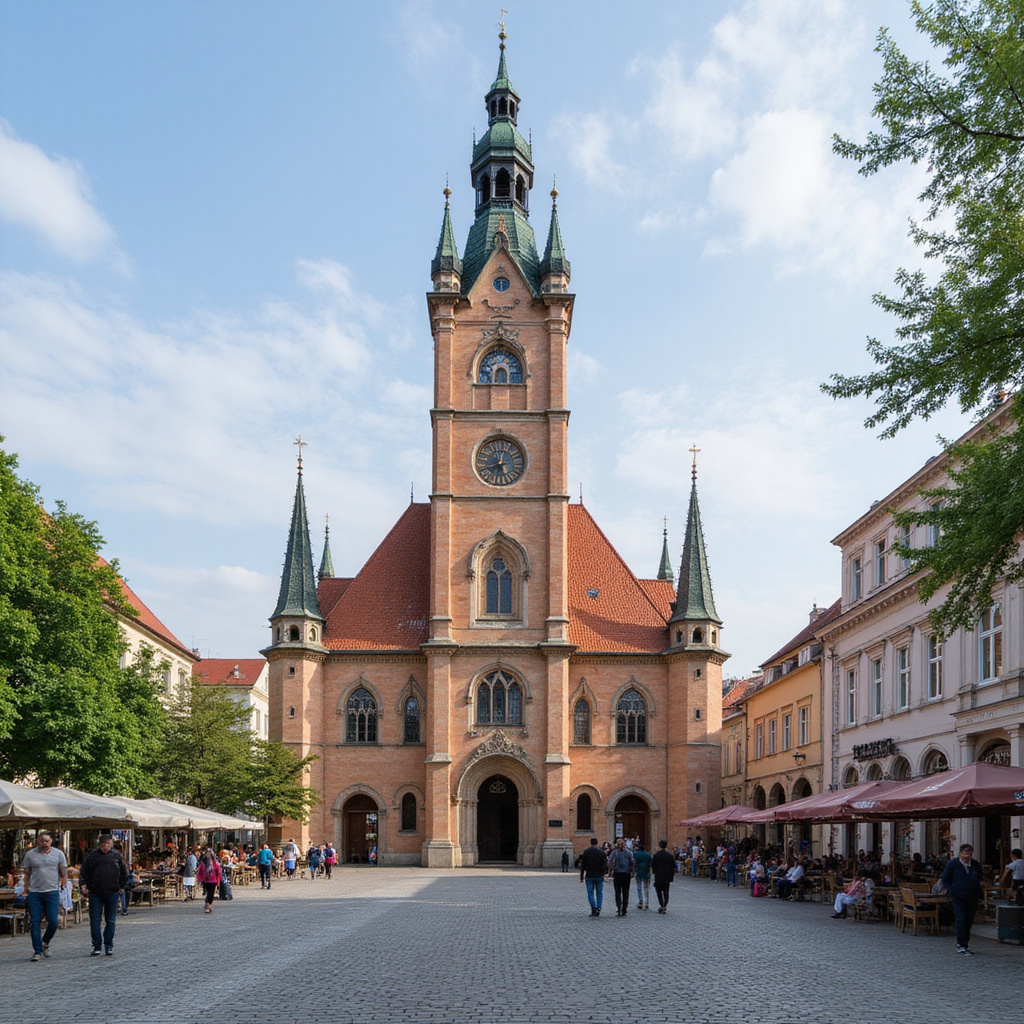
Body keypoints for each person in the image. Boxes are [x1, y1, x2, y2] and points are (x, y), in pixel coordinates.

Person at [21, 831, 68, 962]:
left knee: (53, 921)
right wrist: (25, 889)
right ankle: (37, 951)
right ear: (38, 842)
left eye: (47, 841)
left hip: (52, 891)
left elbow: (63, 870)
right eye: (42, 841)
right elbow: (26, 873)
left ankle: (45, 941)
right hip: (35, 892)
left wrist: (64, 882)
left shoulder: (58, 854)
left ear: (51, 841)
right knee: (34, 921)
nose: (45, 844)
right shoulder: (30, 855)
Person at [79, 834, 127, 957]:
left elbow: (123, 872)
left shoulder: (116, 856)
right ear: (99, 844)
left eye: (107, 843)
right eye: (103, 843)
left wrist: (121, 886)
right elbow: (84, 872)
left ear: (111, 844)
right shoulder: (92, 856)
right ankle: (96, 945)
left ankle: (108, 945)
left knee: (110, 920)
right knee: (95, 920)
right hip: (95, 892)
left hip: (112, 891)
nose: (105, 846)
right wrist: (84, 885)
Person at [941, 843, 984, 955]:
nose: (967, 855)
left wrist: (980, 896)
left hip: (972, 896)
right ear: (960, 853)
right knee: (961, 919)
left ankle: (965, 943)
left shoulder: (975, 865)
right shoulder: (953, 864)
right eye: (965, 853)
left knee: (969, 921)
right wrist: (951, 890)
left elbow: (979, 879)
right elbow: (945, 879)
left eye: (969, 853)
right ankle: (961, 944)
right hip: (958, 896)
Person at [579, 838, 607, 917]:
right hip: (599, 875)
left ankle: (593, 907)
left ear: (590, 843)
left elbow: (583, 865)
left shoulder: (587, 852)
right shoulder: (601, 853)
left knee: (590, 893)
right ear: (597, 843)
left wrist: (581, 875)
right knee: (599, 893)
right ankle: (598, 908)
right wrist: (604, 873)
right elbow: (604, 865)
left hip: (590, 875)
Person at [608, 837, 634, 917]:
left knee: (617, 892)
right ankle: (624, 909)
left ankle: (619, 908)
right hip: (626, 874)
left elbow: (609, 861)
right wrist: (632, 871)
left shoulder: (614, 852)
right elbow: (632, 862)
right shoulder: (629, 852)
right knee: (626, 892)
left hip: (617, 873)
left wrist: (610, 871)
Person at [651, 839, 676, 914]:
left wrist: (654, 872)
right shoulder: (670, 856)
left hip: (658, 876)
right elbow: (674, 867)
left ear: (659, 846)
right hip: (667, 876)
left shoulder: (656, 855)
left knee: (659, 891)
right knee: (666, 891)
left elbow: (653, 866)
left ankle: (661, 904)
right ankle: (664, 905)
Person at [196, 849, 222, 913]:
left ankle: (208, 905)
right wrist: (200, 880)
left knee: (210, 893)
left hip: (212, 881)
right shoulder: (206, 864)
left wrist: (218, 881)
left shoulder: (214, 864)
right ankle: (208, 904)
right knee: (209, 893)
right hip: (208, 881)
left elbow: (218, 873)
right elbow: (200, 872)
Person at [633, 842, 652, 909]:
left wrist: (633, 872)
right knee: (646, 888)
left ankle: (640, 901)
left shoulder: (636, 854)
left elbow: (634, 863)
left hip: (638, 871)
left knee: (639, 887)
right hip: (646, 872)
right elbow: (651, 864)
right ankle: (647, 902)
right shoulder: (648, 854)